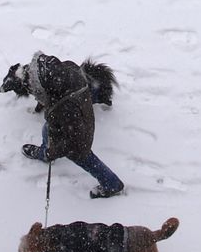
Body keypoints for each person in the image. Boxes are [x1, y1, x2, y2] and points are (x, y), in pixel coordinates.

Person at [21, 51, 125, 198]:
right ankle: (44, 153)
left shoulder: (67, 108)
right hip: (75, 113)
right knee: (48, 128)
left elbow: (73, 143)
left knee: (83, 156)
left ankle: (112, 184)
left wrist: (54, 152)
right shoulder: (66, 71)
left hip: (78, 133)